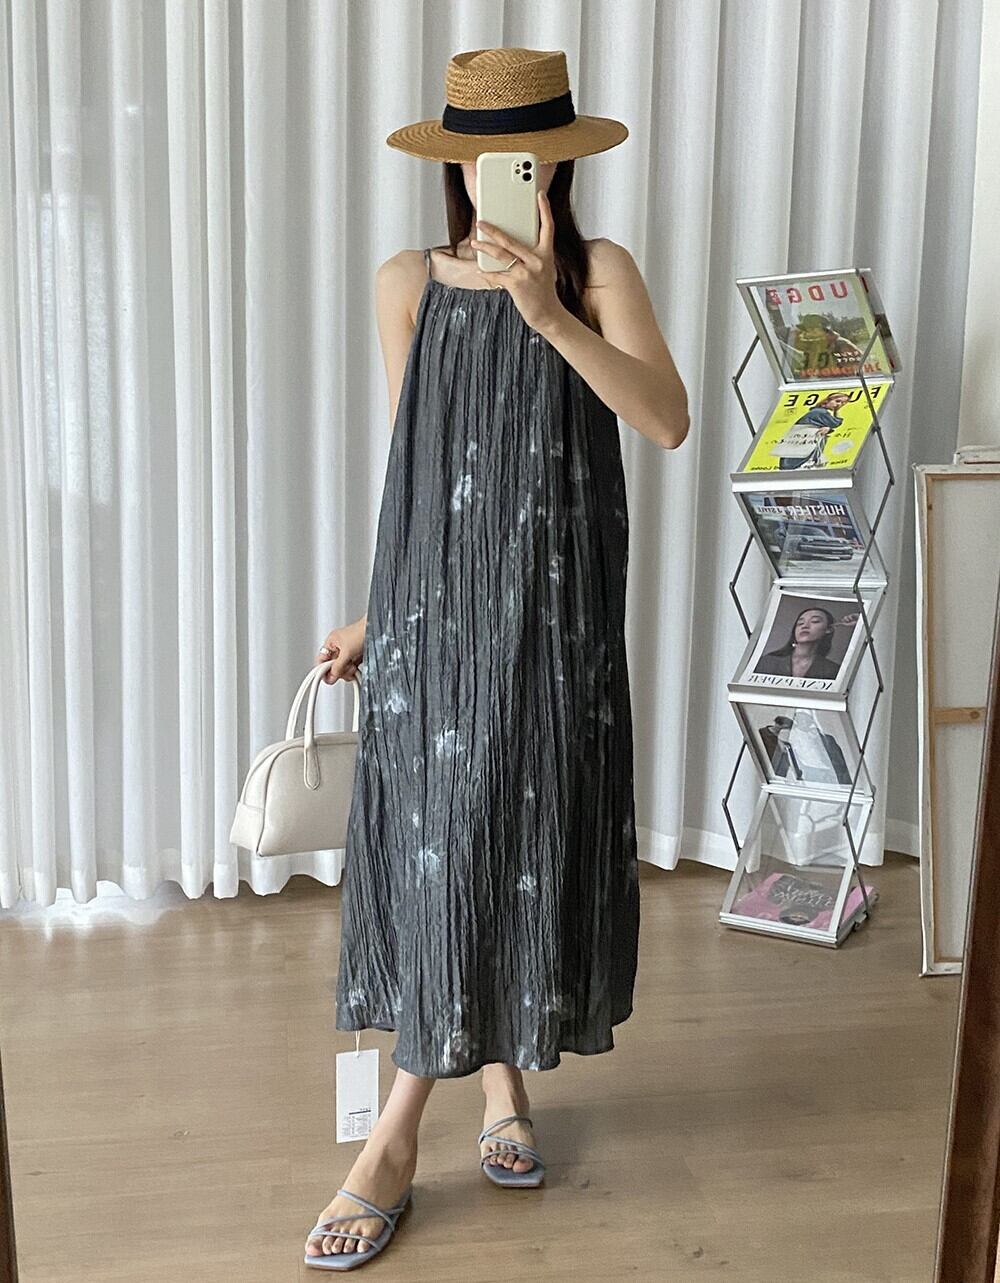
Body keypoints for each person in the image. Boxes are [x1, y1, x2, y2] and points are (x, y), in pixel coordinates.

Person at [304, 46, 689, 1267]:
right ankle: (400, 1134)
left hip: (558, 625)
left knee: (514, 852)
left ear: (556, 165)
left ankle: (495, 1087)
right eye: (481, 162)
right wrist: (376, 614)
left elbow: (666, 418)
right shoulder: (404, 280)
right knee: (444, 857)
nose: (501, 180)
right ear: (457, 168)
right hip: (435, 627)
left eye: (524, 159)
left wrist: (548, 315)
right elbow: (416, 473)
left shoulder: (596, 272)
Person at [754, 605, 858, 681]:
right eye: (800, 623)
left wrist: (860, 622)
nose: (805, 626)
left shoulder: (834, 670)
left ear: (828, 629)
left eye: (815, 621)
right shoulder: (767, 662)